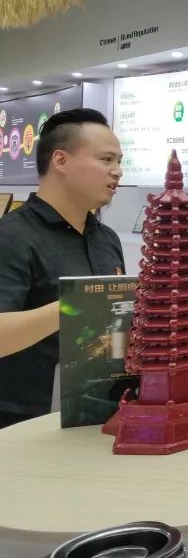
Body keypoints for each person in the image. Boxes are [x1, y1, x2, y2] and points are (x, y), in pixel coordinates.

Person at [0, 109, 125, 428]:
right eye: (106, 159)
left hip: (99, 408)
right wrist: (77, 304)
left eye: (119, 161)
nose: (117, 171)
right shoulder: (11, 236)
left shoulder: (107, 239)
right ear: (61, 160)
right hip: (22, 421)